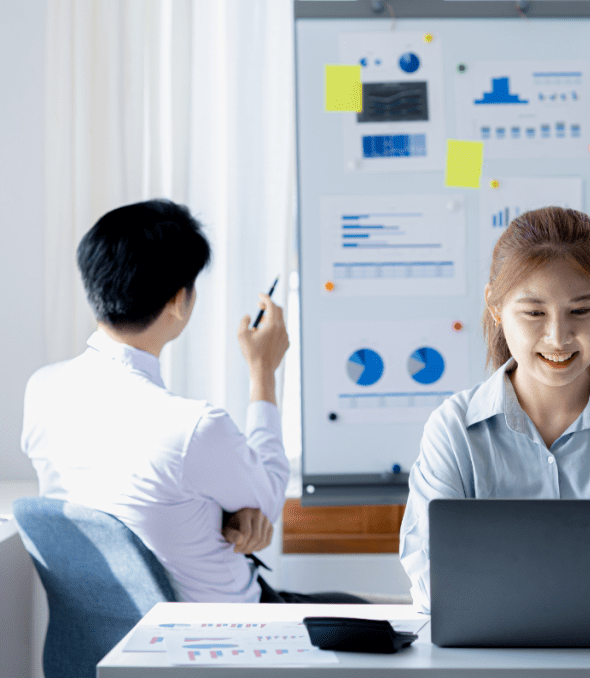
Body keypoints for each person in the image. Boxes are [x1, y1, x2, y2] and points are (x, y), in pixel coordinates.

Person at [22, 199, 365, 604]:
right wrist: (263, 370)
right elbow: (269, 499)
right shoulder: (192, 428)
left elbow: (122, 496)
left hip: (117, 638)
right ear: (179, 300)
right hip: (226, 634)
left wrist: (218, 512)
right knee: (383, 618)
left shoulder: (43, 389)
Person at [399, 207, 590, 614]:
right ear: (496, 308)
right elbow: (429, 577)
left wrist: (516, 590)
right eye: (534, 313)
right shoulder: (454, 429)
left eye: (581, 311)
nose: (558, 337)